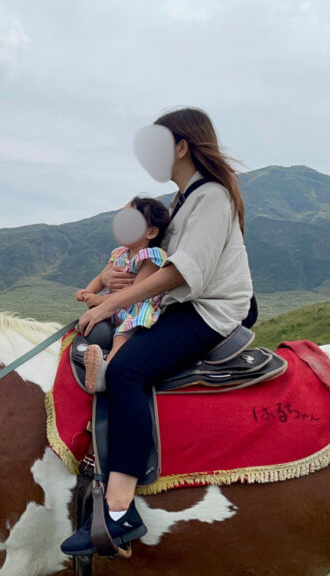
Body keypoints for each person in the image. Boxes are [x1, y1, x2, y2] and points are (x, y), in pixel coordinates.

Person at [61, 107, 254, 556]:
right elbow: (153, 264)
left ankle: (118, 512)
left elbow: (187, 272)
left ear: (182, 147)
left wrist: (110, 303)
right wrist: (112, 282)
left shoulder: (213, 198)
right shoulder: (184, 201)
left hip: (207, 311)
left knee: (127, 371)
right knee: (99, 344)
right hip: (180, 306)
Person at [76, 197, 171, 393]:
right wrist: (88, 291)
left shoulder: (151, 256)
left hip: (134, 309)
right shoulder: (119, 253)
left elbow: (138, 291)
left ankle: (105, 371)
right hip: (113, 307)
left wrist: (101, 301)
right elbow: (101, 278)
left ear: (151, 232)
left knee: (121, 336)